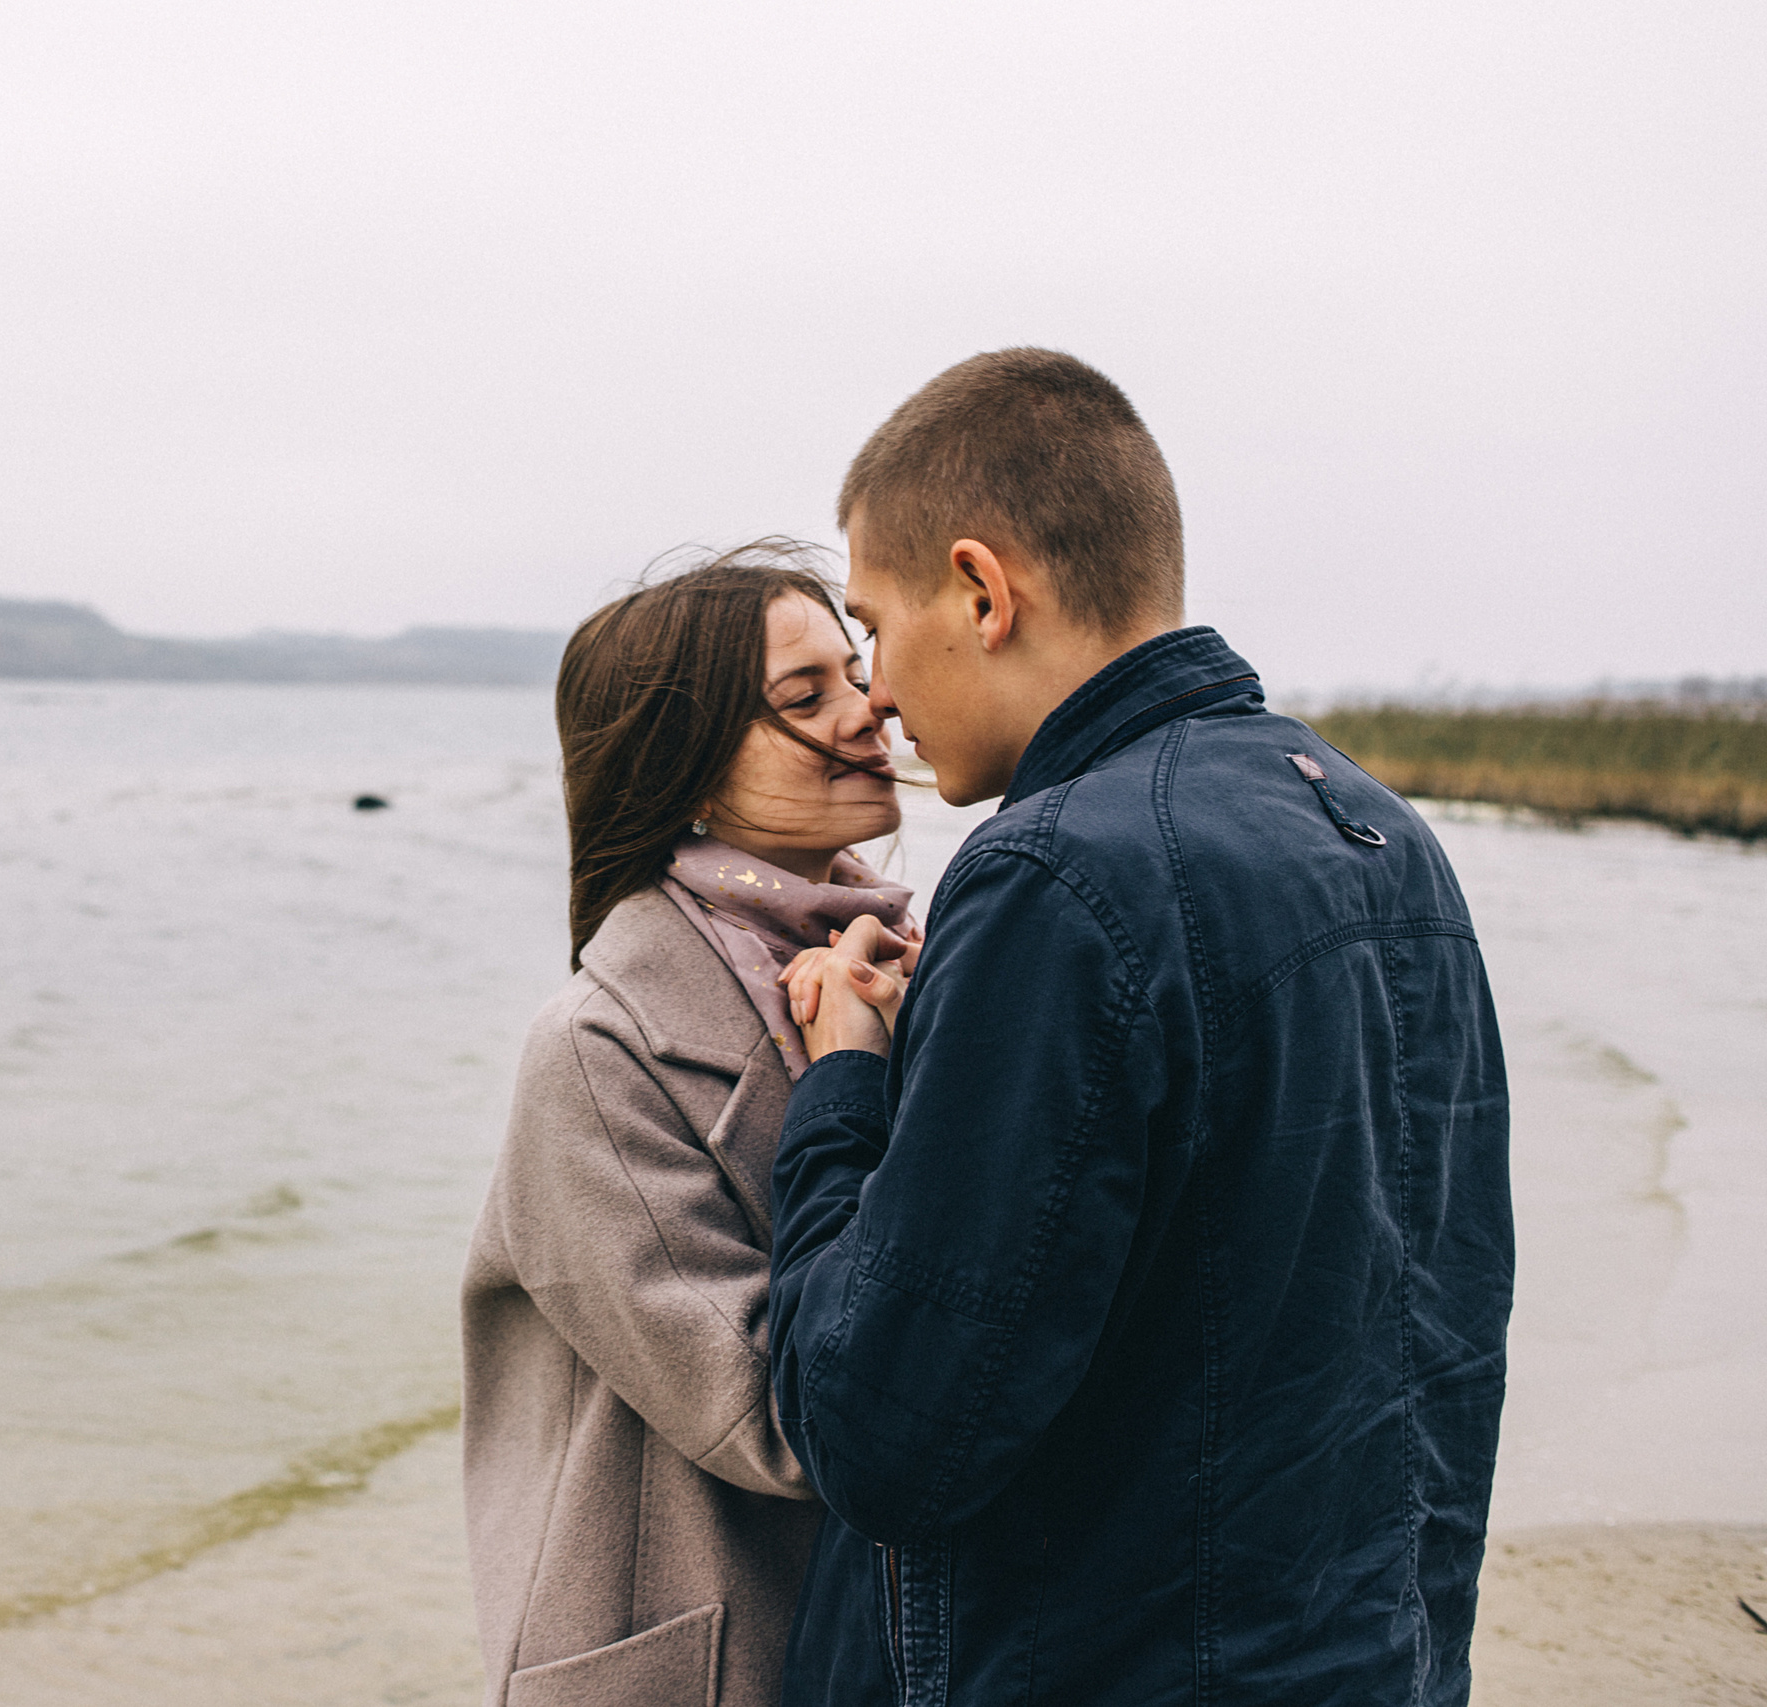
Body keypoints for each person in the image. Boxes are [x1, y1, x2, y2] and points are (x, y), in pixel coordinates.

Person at [768, 349, 1514, 1706]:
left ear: (984, 592)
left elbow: (883, 1431)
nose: (874, 690)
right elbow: (1440, 1340)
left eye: (875, 624)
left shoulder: (1051, 873)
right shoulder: (1378, 829)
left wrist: (844, 1085)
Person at [460, 544, 919, 1707]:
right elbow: (777, 1418)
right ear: (691, 774)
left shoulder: (894, 967)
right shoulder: (594, 1050)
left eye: (855, 675)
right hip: (694, 1663)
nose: (872, 715)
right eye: (804, 697)